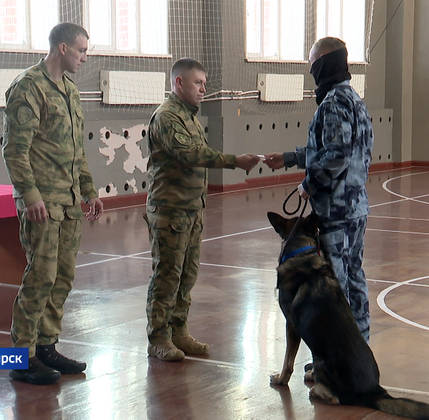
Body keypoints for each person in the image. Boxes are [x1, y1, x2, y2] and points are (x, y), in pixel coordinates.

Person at [2, 22, 104, 385]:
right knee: (40, 277)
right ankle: (21, 357)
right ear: (63, 48)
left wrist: (89, 190)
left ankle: (46, 346)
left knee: (62, 278)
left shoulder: (70, 91)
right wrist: (29, 195)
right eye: (82, 51)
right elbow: (15, 149)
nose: (85, 58)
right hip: (42, 203)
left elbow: (77, 149)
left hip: (69, 203)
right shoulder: (29, 87)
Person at [144, 57, 261, 362]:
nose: (203, 89)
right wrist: (235, 161)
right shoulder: (168, 116)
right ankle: (158, 338)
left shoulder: (190, 117)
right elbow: (190, 154)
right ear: (179, 82)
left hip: (191, 210)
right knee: (167, 276)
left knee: (187, 275)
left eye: (204, 84)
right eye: (198, 83)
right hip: (170, 210)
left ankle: (179, 331)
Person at [264, 37, 374, 342]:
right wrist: (289, 158)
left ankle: (337, 357)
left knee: (336, 285)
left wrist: (308, 184)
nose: (311, 71)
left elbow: (337, 155)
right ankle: (359, 349)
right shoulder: (355, 100)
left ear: (324, 63)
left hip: (336, 211)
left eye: (313, 64)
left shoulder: (333, 103)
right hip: (355, 208)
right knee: (354, 276)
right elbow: (329, 149)